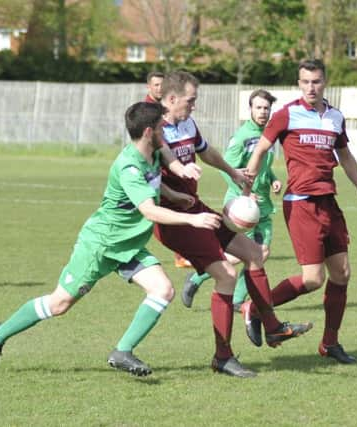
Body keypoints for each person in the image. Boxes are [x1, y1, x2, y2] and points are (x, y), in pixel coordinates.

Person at [0, 102, 221, 377]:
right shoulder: (128, 165)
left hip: (129, 246)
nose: (164, 134)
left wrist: (174, 194)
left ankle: (122, 351)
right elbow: (148, 210)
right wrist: (193, 219)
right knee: (59, 304)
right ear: (148, 132)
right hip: (101, 245)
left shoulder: (153, 155)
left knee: (163, 290)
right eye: (160, 129)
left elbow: (153, 182)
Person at [154, 71, 313, 378]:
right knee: (227, 275)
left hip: (195, 209)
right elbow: (147, 179)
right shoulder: (154, 131)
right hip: (176, 220)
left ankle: (273, 327)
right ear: (171, 99)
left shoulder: (186, 123)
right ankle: (223, 356)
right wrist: (175, 194)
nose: (194, 106)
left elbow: (207, 151)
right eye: (191, 100)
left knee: (254, 253)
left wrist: (233, 171)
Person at [243, 59, 357, 364]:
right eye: (304, 82)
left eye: (315, 81)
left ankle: (330, 343)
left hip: (328, 202)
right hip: (301, 203)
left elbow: (345, 156)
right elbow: (261, 149)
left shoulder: (335, 117)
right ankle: (255, 306)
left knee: (342, 273)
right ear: (299, 83)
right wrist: (247, 190)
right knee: (313, 278)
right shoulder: (287, 114)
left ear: (325, 82)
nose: (310, 87)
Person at [181, 89, 281, 312]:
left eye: (266, 108)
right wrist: (244, 191)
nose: (263, 111)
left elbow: (264, 165)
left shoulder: (267, 135)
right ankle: (198, 279)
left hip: (263, 206)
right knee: (245, 255)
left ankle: (237, 299)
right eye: (258, 107)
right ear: (250, 109)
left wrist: (273, 179)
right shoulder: (241, 137)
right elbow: (226, 169)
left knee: (261, 254)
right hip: (242, 206)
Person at [144, 71, 192, 268]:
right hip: (158, 180)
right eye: (155, 85)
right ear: (149, 87)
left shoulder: (175, 114)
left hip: (174, 184)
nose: (159, 88)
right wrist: (178, 167)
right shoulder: (147, 111)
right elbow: (159, 146)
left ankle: (182, 255)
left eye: (161, 85)